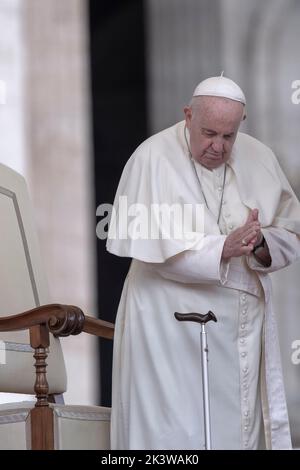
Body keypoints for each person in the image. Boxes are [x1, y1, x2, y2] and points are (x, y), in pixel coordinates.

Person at [106, 76, 300, 450]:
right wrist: (221, 249)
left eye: (229, 137)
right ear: (188, 116)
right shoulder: (151, 158)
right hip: (168, 330)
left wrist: (261, 242)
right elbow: (158, 255)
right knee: (176, 433)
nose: (218, 147)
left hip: (241, 333)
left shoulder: (260, 157)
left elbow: (290, 235)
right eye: (209, 133)